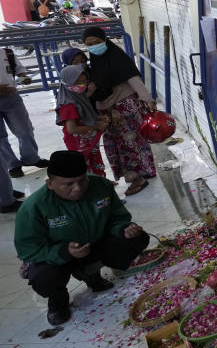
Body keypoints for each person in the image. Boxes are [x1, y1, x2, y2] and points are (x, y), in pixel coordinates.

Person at [14, 151, 149, 325]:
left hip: (93, 245)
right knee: (43, 276)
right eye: (68, 184)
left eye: (82, 180)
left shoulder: (101, 186)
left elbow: (118, 217)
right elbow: (28, 248)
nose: (77, 188)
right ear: (50, 183)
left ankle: (91, 273)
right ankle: (57, 301)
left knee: (136, 239)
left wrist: (124, 228)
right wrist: (63, 251)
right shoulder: (33, 207)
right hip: (57, 257)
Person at [82, 27, 156, 195]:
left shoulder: (117, 57)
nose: (93, 46)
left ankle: (138, 178)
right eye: (89, 44)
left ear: (105, 40)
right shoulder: (93, 63)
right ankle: (144, 172)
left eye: (97, 42)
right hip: (105, 110)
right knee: (118, 145)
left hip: (125, 107)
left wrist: (147, 99)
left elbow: (133, 79)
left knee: (130, 144)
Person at [0, 47, 48, 178]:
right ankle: (12, 165)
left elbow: (18, 69)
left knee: (25, 130)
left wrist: (23, 77)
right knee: (1, 138)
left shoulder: (7, 52)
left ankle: (31, 158)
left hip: (12, 97)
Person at [56, 66, 109, 177]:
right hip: (77, 144)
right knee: (84, 166)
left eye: (84, 81)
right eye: (78, 82)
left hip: (88, 140)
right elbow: (72, 129)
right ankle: (91, 187)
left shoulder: (78, 97)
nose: (82, 85)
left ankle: (101, 181)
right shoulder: (68, 105)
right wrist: (96, 126)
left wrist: (98, 118)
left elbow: (83, 116)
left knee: (95, 160)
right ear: (68, 82)